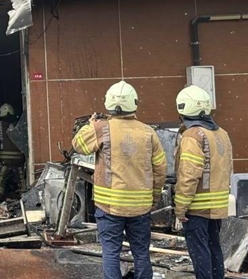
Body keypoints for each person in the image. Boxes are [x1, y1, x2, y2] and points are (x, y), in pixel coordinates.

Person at [72, 81, 166, 279]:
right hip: (140, 207)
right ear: (134, 104)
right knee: (141, 253)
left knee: (111, 253)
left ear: (108, 103)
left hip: (110, 206)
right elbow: (160, 169)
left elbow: (78, 144)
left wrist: (92, 124)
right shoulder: (148, 132)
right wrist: (154, 198)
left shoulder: (102, 128)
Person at [173, 85, 233, 279]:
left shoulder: (192, 136)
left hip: (197, 208)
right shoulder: (221, 133)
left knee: (200, 252)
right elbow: (228, 169)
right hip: (217, 207)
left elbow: (189, 175)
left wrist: (180, 208)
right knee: (214, 248)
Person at [0, 103, 25, 202]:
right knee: (20, 179)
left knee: (1, 178)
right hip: (18, 158)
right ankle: (24, 194)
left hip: (3, 158)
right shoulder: (18, 124)